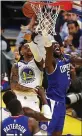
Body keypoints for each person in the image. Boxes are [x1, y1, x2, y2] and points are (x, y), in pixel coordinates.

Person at [42, 32, 82, 136]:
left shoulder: (66, 58)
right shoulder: (51, 63)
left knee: (58, 133)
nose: (56, 46)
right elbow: (49, 53)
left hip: (62, 103)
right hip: (52, 103)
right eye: (53, 46)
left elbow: (77, 60)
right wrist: (47, 39)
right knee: (46, 133)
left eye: (57, 45)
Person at [10, 40, 51, 119]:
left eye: (31, 47)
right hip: (19, 98)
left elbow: (41, 58)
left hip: (34, 98)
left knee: (33, 124)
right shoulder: (16, 65)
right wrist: (30, 89)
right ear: (21, 52)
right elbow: (13, 86)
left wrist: (32, 43)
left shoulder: (39, 63)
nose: (29, 48)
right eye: (26, 47)